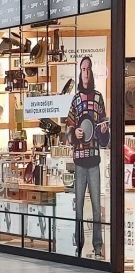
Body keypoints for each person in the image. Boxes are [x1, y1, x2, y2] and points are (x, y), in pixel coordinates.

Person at [66, 56, 109, 260]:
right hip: (79, 161)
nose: (85, 72)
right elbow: (69, 128)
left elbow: (103, 134)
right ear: (79, 71)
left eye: (88, 69)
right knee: (79, 207)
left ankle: (98, 247)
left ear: (91, 72)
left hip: (94, 161)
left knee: (95, 207)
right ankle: (79, 245)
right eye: (82, 69)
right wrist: (75, 133)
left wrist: (104, 130)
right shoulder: (75, 100)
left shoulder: (99, 98)